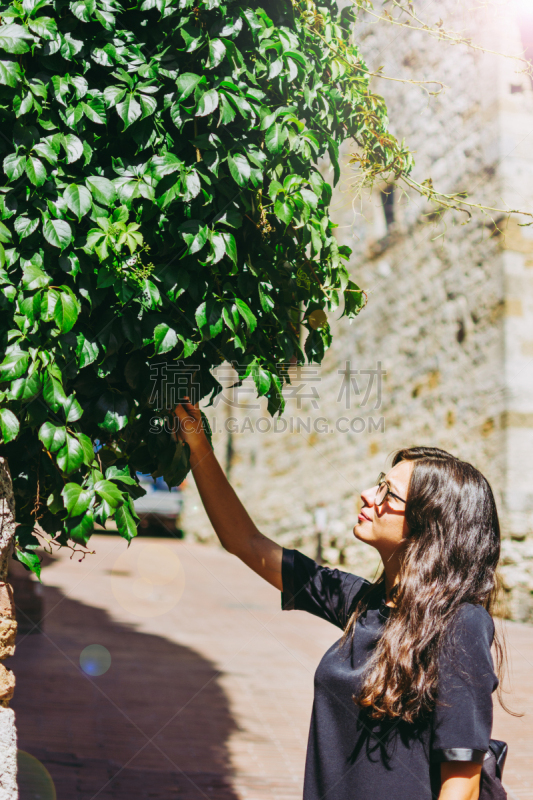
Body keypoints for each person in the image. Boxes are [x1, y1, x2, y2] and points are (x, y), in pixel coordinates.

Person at [173, 399, 506, 800]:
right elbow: (246, 542)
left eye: (388, 494)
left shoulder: (461, 624)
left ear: (428, 526)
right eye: (377, 482)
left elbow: (462, 783)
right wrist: (199, 447)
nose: (368, 495)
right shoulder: (364, 604)